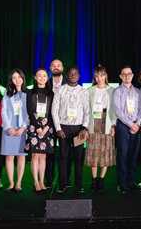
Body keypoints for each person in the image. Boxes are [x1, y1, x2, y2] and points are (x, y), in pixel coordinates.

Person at [51, 65, 90, 194]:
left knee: (78, 157)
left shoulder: (83, 91)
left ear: (79, 76)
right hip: (64, 128)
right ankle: (63, 184)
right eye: (70, 73)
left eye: (75, 73)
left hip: (79, 129)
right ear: (66, 75)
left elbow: (87, 111)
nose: (73, 75)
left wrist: (84, 128)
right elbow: (54, 110)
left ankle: (79, 185)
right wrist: (58, 128)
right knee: (63, 157)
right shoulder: (60, 90)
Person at [84, 65, 116, 193]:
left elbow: (114, 110)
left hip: (106, 122)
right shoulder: (89, 91)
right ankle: (93, 179)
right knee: (94, 152)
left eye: (102, 75)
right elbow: (87, 110)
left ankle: (101, 179)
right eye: (97, 76)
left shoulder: (112, 90)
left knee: (105, 152)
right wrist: (85, 127)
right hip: (93, 122)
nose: (99, 78)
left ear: (106, 76)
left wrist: (113, 125)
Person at [112, 65, 141, 194]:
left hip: (136, 126)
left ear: (132, 75)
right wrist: (131, 124)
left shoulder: (137, 92)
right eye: (124, 74)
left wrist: (137, 124)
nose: (127, 76)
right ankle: (122, 183)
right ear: (120, 76)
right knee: (123, 156)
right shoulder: (117, 91)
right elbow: (118, 111)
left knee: (133, 156)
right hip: (123, 126)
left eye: (129, 74)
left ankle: (131, 182)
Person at [25, 68, 54, 194]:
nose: (42, 78)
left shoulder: (51, 93)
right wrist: (37, 126)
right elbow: (29, 111)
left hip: (47, 126)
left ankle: (42, 181)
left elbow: (54, 112)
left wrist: (47, 127)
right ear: (35, 78)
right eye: (39, 76)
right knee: (35, 155)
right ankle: (36, 182)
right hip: (34, 125)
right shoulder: (30, 92)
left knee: (44, 156)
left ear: (47, 78)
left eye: (44, 76)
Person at [1, 68, 29, 193]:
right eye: (14, 78)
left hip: (23, 129)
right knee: (9, 156)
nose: (17, 80)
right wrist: (9, 127)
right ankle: (11, 182)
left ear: (23, 78)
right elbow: (3, 111)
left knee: (21, 157)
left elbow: (30, 112)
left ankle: (18, 183)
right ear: (11, 80)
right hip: (9, 129)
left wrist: (23, 127)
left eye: (19, 77)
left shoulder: (28, 93)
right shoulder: (7, 93)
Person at [45, 59, 68, 189]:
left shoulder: (69, 83)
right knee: (49, 153)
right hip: (49, 123)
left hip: (65, 123)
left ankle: (65, 181)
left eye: (58, 65)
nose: (56, 67)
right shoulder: (46, 83)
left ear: (62, 68)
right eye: (53, 65)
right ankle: (49, 180)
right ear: (50, 68)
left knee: (65, 153)